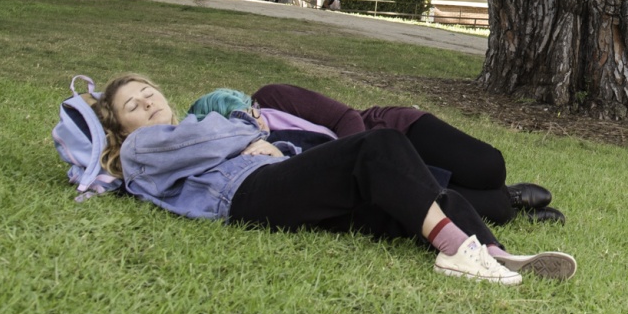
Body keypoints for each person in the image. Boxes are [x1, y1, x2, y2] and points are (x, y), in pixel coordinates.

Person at [90, 76, 575, 286]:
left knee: (406, 193)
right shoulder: (143, 148)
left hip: (272, 176)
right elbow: (222, 139)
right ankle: (458, 251)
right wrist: (245, 136)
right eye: (134, 105)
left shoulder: (189, 129)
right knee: (378, 147)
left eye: (149, 93)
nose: (149, 103)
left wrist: (263, 141)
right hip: (246, 192)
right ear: (121, 127)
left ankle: (492, 252)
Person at [188, 83, 562, 226]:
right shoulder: (255, 152)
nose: (253, 122)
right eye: (240, 124)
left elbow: (346, 117)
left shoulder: (272, 97)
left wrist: (349, 159)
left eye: (248, 113)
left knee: (488, 166)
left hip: (389, 131)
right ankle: (511, 200)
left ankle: (502, 189)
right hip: (380, 170)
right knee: (495, 208)